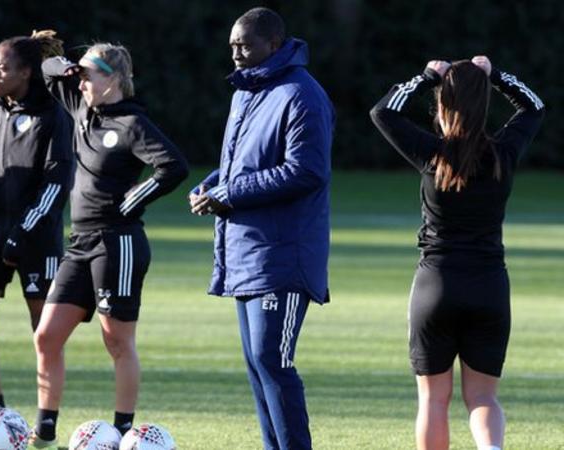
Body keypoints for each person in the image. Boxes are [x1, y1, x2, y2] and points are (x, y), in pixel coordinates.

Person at [370, 56, 544, 450]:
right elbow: (534, 107)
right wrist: (497, 76)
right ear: (485, 104)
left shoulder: (431, 153)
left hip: (436, 286)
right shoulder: (504, 153)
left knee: (433, 399)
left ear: (442, 105)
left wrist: (426, 76)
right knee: (483, 398)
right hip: (488, 286)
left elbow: (383, 112)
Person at [188, 7, 334, 450]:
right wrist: (211, 185)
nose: (236, 53)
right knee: (257, 364)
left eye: (245, 45)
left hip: (284, 254)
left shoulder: (301, 94)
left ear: (274, 44)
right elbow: (242, 164)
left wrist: (229, 193)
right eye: (232, 45)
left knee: (273, 360)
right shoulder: (247, 92)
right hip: (248, 252)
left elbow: (305, 171)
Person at [30, 42, 189, 447]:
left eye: (89, 76)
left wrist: (135, 199)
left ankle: (121, 431)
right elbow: (47, 71)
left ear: (113, 79)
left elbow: (173, 166)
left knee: (117, 341)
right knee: (46, 335)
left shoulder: (133, 124)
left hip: (118, 243)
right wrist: (69, 67)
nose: (81, 83)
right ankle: (44, 429)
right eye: (80, 76)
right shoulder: (82, 108)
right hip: (79, 243)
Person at [0, 30, 73, 411]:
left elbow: (57, 183)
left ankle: (46, 420)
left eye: (3, 68)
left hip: (36, 239)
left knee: (44, 331)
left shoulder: (53, 115)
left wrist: (23, 232)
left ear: (26, 72)